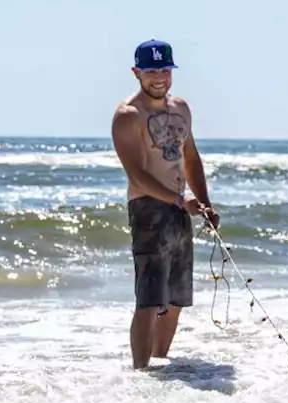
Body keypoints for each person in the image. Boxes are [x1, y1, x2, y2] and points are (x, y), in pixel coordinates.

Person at [110, 39, 219, 370]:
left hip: (180, 208)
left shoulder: (181, 108)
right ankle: (140, 375)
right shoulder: (128, 115)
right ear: (136, 73)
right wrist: (179, 199)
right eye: (151, 71)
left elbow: (191, 158)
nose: (159, 77)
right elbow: (138, 175)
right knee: (150, 298)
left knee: (176, 298)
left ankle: (162, 366)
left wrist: (203, 202)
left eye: (165, 70)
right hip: (148, 209)